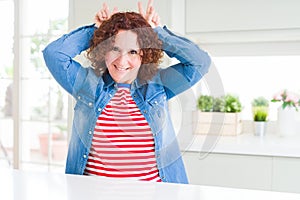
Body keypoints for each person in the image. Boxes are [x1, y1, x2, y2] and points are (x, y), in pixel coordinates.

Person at [43, 0, 211, 184]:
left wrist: (155, 33)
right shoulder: (87, 84)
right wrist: (96, 30)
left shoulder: (158, 86)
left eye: (132, 51)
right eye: (115, 48)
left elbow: (200, 62)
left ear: (144, 54)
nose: (122, 61)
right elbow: (54, 54)